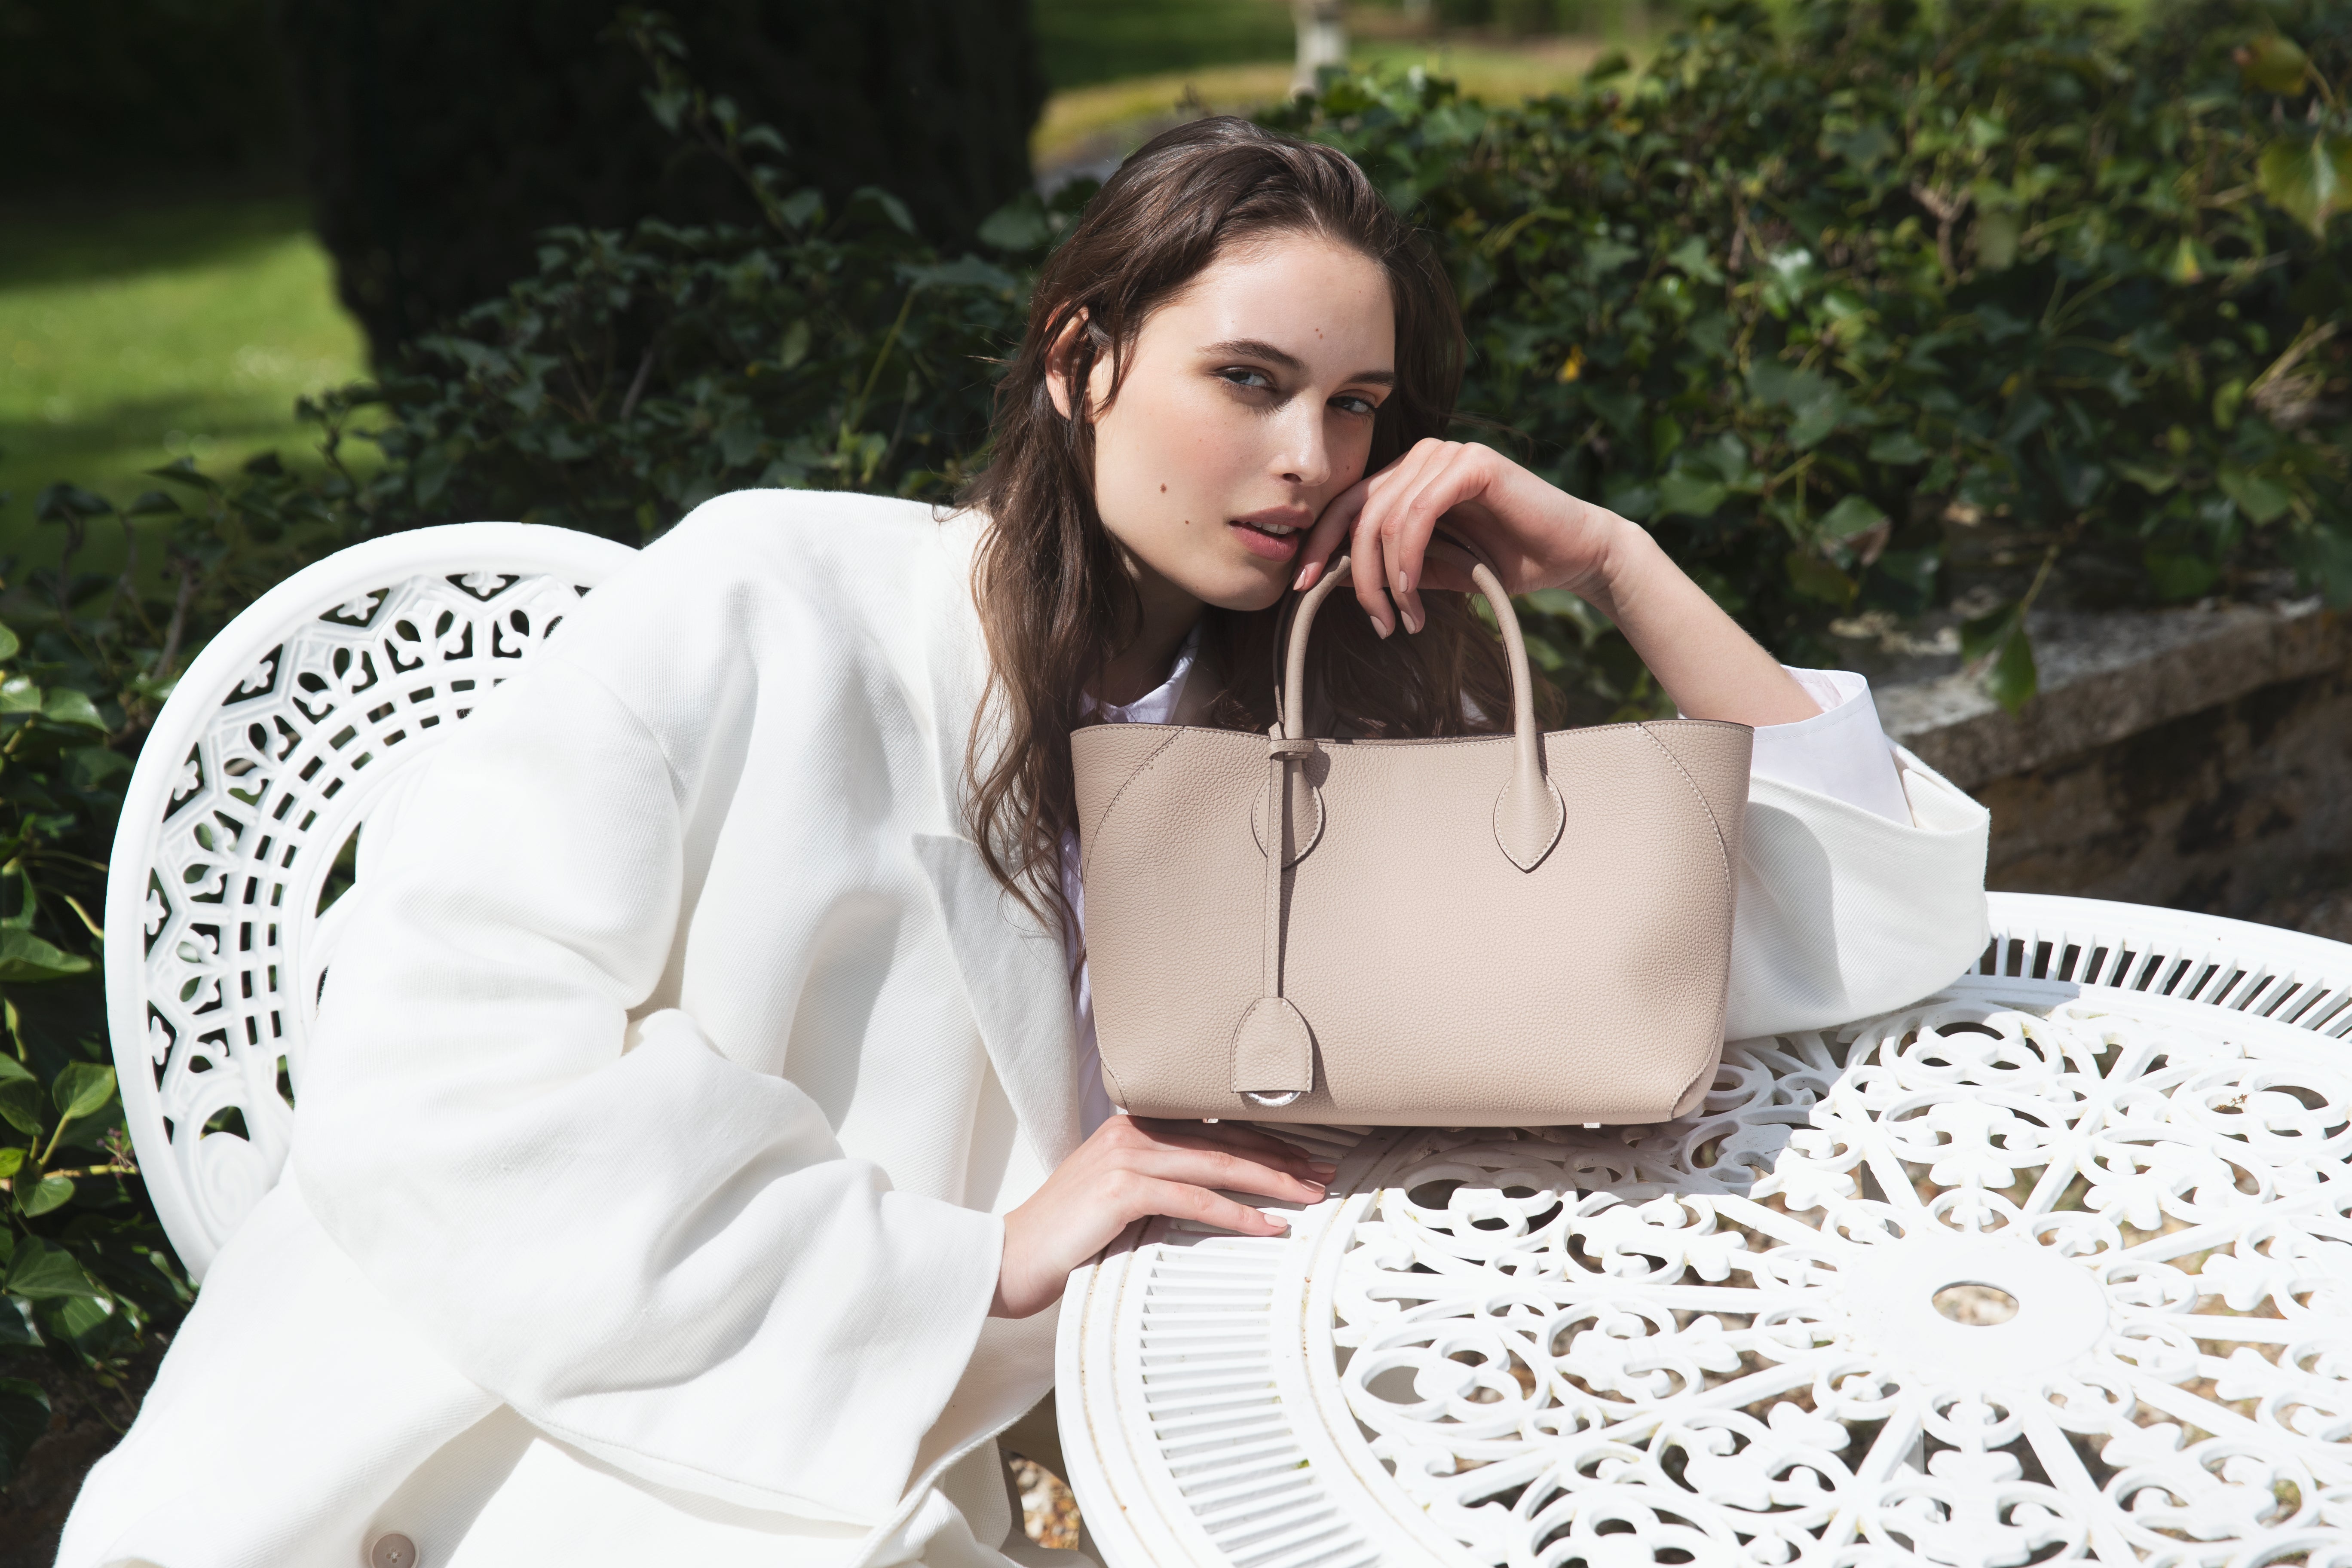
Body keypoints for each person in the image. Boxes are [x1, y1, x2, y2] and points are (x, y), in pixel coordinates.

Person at [61, 118, 1986, 1567]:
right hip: (618, 1425)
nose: (1313, 461)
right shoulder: (770, 605)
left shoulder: (1339, 727)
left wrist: (1618, 564)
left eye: (1362, 408)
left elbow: (1828, 930)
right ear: (1082, 362)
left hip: (1196, 1431)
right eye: (1248, 383)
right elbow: (441, 1043)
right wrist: (969, 1260)